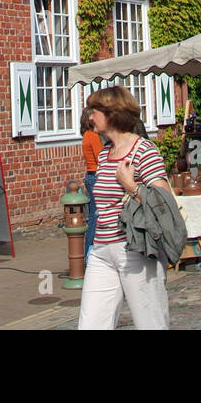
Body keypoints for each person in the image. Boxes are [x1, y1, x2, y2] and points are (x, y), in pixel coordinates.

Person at [78, 85, 173, 330]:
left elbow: (163, 201)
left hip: (134, 248)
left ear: (112, 113)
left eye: (95, 111)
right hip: (101, 250)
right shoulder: (105, 154)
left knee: (150, 323)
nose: (90, 117)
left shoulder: (144, 151)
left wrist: (131, 186)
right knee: (91, 324)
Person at [80, 106, 103, 253]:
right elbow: (100, 158)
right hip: (95, 175)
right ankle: (89, 252)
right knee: (95, 217)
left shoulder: (86, 135)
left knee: (93, 215)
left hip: (90, 175)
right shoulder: (93, 137)